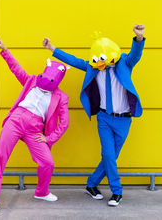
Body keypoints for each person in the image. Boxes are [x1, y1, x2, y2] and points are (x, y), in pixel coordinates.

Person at [43, 25, 145, 206]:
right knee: (108, 154)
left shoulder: (124, 62)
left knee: (110, 157)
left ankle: (91, 184)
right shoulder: (93, 67)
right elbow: (75, 61)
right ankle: (116, 191)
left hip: (123, 119)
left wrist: (138, 38)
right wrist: (53, 49)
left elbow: (135, 55)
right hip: (104, 118)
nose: (102, 63)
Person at [0, 35, 70, 213]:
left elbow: (65, 123)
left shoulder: (61, 97)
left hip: (35, 129)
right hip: (16, 120)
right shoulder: (31, 81)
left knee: (48, 162)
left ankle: (42, 192)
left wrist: (48, 138)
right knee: (0, 156)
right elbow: (17, 70)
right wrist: (5, 50)